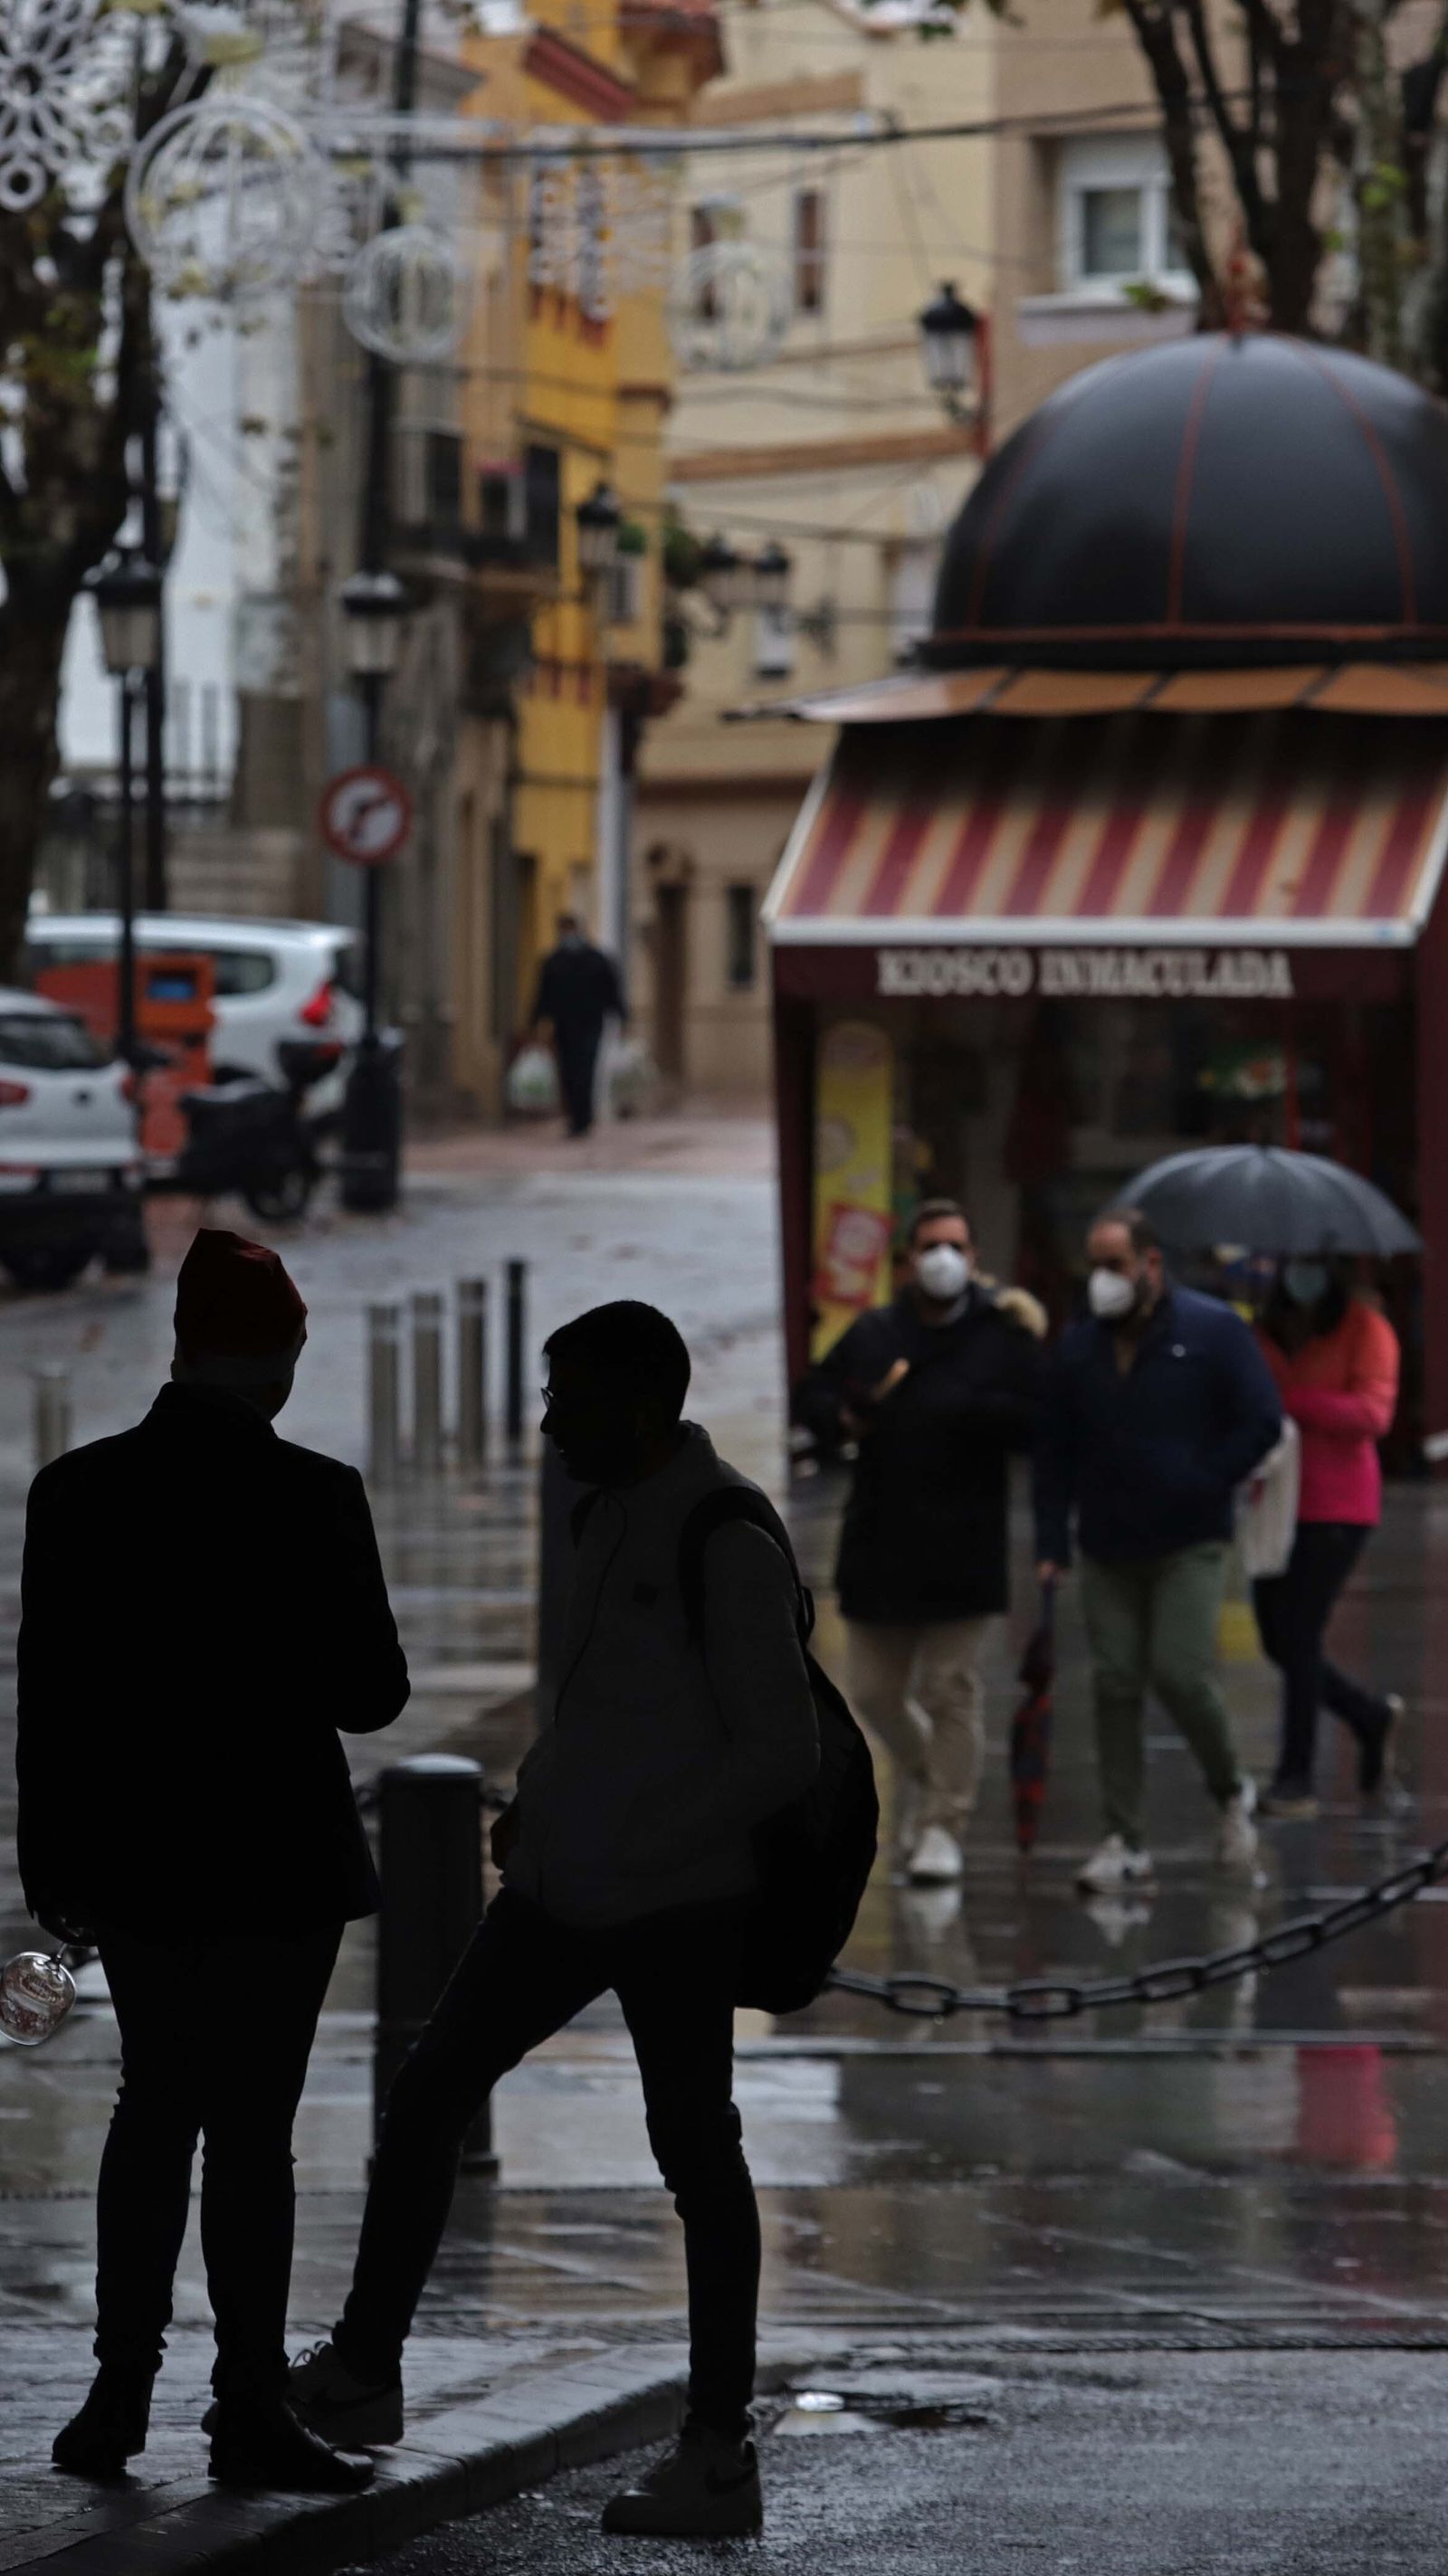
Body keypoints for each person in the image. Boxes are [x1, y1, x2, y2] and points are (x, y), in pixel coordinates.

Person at [285, 1301, 818, 2539]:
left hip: (675, 1904)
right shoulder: (604, 1511)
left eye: (569, 1399)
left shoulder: (727, 1533)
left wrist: (641, 1838)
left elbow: (779, 1749)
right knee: (430, 2093)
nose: (548, 1423)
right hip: (563, 1891)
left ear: (642, 1403)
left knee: (696, 2156)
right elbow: (599, 1700)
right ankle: (364, 2368)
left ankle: (718, 2448)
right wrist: (543, 1799)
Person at [16, 1228, 409, 2491]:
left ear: (181, 1349)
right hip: (279, 1858)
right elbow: (372, 1693)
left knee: (151, 2108)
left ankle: (116, 2394)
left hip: (138, 1858)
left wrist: (50, 1865)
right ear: (285, 1355)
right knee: (252, 2134)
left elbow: (50, 1703)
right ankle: (247, 2407)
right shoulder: (316, 1494)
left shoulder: (76, 1492)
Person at [793, 1198, 1045, 1884]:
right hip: (881, 1541)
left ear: (974, 1257)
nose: (944, 1259)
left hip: (966, 1546)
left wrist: (972, 1407)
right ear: (908, 1260)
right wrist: (848, 1416)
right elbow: (815, 1396)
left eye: (956, 1246)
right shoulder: (876, 1331)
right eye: (931, 1245)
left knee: (949, 1688)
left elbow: (1039, 1416)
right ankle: (931, 1772)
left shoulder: (1002, 1334)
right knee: (873, 1691)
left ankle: (942, 1824)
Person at [1034, 1208, 1281, 1893]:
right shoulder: (1079, 1347)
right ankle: (1124, 1837)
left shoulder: (1211, 1330)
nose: (1102, 1279)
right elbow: (1052, 1451)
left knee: (1180, 1670)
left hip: (1189, 1541)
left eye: (1114, 1264)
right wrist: (1050, 1541)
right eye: (1094, 1265)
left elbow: (1262, 1418)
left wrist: (1206, 1478)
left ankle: (1230, 1789)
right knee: (1113, 1683)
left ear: (1150, 1263)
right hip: (1107, 1543)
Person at [1252, 1259, 1403, 1819]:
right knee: (1276, 1637)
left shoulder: (1366, 1329)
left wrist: (1294, 1403)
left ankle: (1295, 1777)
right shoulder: (1265, 1330)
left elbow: (1372, 1414)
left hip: (1338, 1505)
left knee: (1300, 1633)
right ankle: (1367, 1716)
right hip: (1275, 1503)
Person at [529, 912, 625, 1138]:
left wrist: (621, 1016)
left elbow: (611, 990)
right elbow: (543, 994)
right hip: (565, 1026)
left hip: (590, 1024)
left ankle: (583, 1117)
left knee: (585, 1069)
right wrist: (536, 1022)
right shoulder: (554, 961)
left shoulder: (595, 959)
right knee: (568, 1071)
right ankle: (576, 1116)